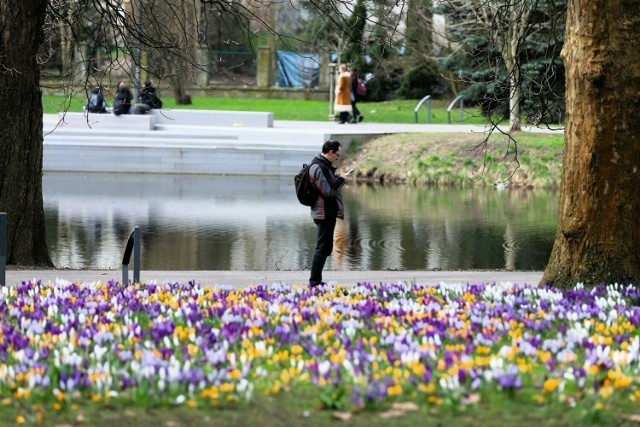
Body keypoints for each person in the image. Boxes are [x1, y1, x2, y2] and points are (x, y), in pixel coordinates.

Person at [307, 140, 352, 288]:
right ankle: (314, 282)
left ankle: (316, 281)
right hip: (323, 212)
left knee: (326, 247)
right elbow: (329, 191)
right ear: (331, 152)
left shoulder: (323, 165)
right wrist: (341, 179)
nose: (338, 158)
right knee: (322, 247)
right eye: (337, 155)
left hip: (326, 211)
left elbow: (326, 185)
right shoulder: (319, 167)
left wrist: (337, 177)